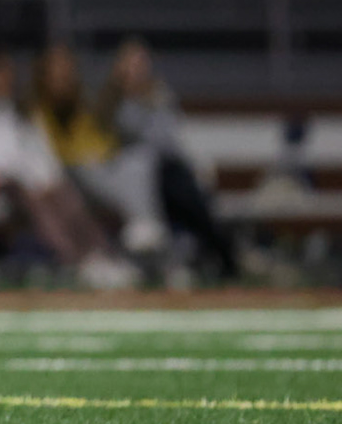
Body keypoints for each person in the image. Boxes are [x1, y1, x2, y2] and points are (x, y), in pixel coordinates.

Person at [0, 50, 136, 290]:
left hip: (21, 178)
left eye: (9, 73)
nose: (7, 79)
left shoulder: (11, 111)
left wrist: (47, 180)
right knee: (34, 197)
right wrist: (29, 178)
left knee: (63, 192)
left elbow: (30, 151)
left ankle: (101, 255)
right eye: (1, 73)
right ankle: (74, 261)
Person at [100, 37, 239, 281]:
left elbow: (169, 141)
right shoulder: (111, 102)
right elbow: (128, 139)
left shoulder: (160, 96)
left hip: (167, 171)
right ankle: (219, 252)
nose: (138, 69)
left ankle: (205, 254)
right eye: (131, 63)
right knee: (177, 189)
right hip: (133, 179)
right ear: (119, 68)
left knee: (182, 187)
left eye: (142, 62)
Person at [32, 44, 168, 262]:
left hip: (108, 168)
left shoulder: (83, 102)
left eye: (68, 72)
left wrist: (118, 78)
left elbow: (105, 108)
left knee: (142, 158)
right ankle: (144, 224)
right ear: (43, 78)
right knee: (96, 171)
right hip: (75, 177)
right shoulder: (38, 112)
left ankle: (145, 225)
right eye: (57, 74)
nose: (64, 79)